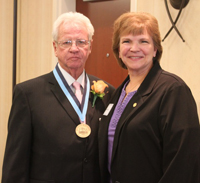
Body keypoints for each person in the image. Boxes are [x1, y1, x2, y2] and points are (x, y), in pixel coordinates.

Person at [2, 12, 115, 183]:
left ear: (90, 46)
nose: (74, 48)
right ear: (55, 47)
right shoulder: (28, 94)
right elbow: (15, 163)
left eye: (81, 42)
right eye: (66, 42)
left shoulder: (107, 92)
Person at [98, 12, 200, 183]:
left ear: (155, 49)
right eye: (127, 41)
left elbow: (184, 161)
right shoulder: (118, 93)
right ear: (118, 50)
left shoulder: (173, 90)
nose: (134, 48)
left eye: (143, 41)